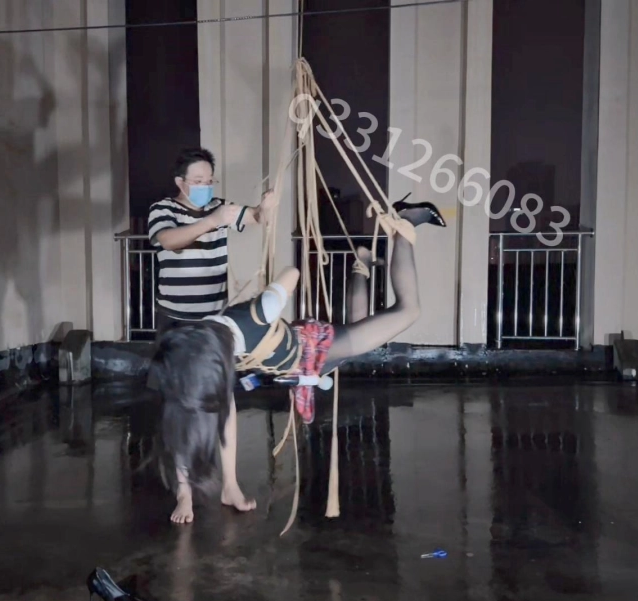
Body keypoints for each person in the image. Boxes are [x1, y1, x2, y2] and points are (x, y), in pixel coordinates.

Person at [148, 199, 447, 524]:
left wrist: (273, 296)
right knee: (360, 334)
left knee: (408, 311)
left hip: (316, 347)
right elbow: (195, 416)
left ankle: (405, 224)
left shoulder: (254, 318)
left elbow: (292, 274)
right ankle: (361, 261)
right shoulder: (201, 342)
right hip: (297, 362)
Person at [147, 147, 278, 336]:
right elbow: (168, 241)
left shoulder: (219, 206)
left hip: (214, 316)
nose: (205, 187)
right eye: (198, 181)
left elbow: (256, 217)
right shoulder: (163, 209)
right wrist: (212, 221)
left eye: (209, 181)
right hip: (174, 316)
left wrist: (265, 208)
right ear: (180, 182)